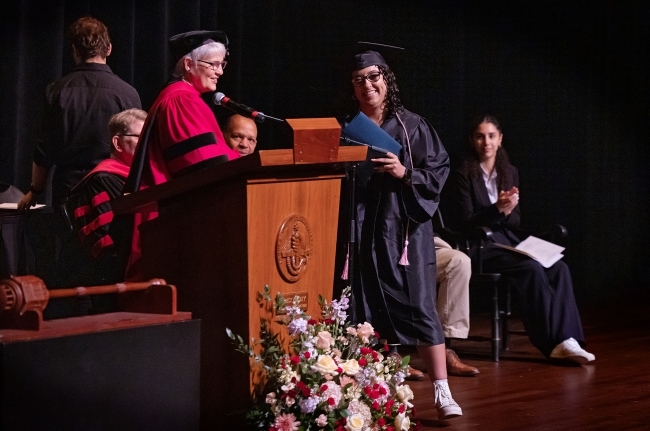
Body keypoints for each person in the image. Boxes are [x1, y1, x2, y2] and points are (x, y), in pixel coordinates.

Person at [340, 42, 462, 420]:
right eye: (359, 80)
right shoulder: (348, 131)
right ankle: (375, 393)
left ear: (386, 80)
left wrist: (405, 173)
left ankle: (442, 391)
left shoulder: (413, 125)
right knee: (367, 309)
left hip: (404, 232)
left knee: (421, 306)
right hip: (362, 232)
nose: (367, 86)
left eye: (373, 77)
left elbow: (439, 171)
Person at [442, 114, 595, 366]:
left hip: (508, 240)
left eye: (491, 136)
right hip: (479, 245)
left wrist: (509, 209)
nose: (486, 142)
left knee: (559, 267)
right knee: (531, 269)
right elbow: (465, 221)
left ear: (500, 139)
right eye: (480, 136)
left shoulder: (508, 171)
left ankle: (569, 339)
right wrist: (497, 210)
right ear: (472, 140)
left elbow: (515, 223)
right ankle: (550, 344)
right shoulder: (463, 174)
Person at [123, 30, 239, 280]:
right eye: (214, 64)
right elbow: (205, 167)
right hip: (171, 221)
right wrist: (250, 164)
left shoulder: (183, 97)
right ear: (188, 64)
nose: (220, 71)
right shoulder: (180, 101)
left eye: (222, 64)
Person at [18, 16, 141, 211]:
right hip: (113, 188)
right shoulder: (128, 93)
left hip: (68, 190)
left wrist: (36, 191)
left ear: (74, 51)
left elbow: (44, 150)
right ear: (108, 49)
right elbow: (136, 149)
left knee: (70, 241)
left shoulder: (56, 91)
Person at [65, 108, 147, 285]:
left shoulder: (142, 179)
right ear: (118, 143)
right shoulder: (101, 181)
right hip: (117, 280)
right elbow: (104, 244)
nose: (147, 144)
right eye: (141, 137)